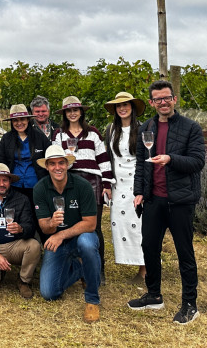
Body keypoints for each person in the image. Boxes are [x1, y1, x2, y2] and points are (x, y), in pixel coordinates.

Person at [127, 80, 204, 325]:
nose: (163, 102)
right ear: (151, 103)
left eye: (166, 98)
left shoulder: (191, 127)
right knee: (149, 247)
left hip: (180, 200)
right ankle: (154, 295)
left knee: (184, 252)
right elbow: (141, 163)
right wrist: (139, 191)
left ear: (174, 99)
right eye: (158, 99)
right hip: (153, 200)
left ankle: (190, 304)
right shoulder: (146, 128)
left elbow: (197, 162)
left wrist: (171, 159)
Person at [34, 145, 101, 323]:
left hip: (80, 237)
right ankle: (80, 269)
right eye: (53, 164)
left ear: (67, 165)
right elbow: (44, 228)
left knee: (87, 243)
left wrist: (61, 234)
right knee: (49, 293)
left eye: (61, 163)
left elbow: (91, 224)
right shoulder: (40, 188)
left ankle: (92, 299)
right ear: (47, 167)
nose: (58, 167)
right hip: (58, 243)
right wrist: (51, 224)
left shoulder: (83, 185)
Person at [51, 96, 113, 277]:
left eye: (75, 110)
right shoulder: (59, 134)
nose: (72, 113)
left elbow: (103, 159)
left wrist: (107, 184)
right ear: (64, 113)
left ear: (81, 112)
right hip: (69, 180)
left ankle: (98, 270)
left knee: (94, 227)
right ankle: (74, 267)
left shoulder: (93, 133)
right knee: (70, 224)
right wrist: (68, 158)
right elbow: (56, 161)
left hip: (93, 181)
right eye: (68, 111)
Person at [0, 164, 41, 299]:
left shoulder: (22, 199)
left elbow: (30, 226)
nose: (1, 184)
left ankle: (23, 281)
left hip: (14, 245)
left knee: (34, 246)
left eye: (5, 180)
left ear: (10, 181)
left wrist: (21, 229)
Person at [104, 92, 146, 285]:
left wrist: (144, 188)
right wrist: (107, 183)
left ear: (132, 107)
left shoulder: (143, 129)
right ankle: (131, 260)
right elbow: (108, 158)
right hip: (118, 184)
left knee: (140, 227)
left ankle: (145, 269)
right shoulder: (111, 129)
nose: (122, 108)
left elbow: (147, 159)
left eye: (126, 105)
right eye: (118, 106)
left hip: (136, 184)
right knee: (121, 225)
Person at [0, 104, 51, 199]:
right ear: (12, 122)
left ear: (28, 120)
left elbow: (49, 156)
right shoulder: (6, 138)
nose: (19, 123)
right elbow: (2, 161)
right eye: (15, 120)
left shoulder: (39, 137)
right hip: (14, 184)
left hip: (36, 184)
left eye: (22, 119)